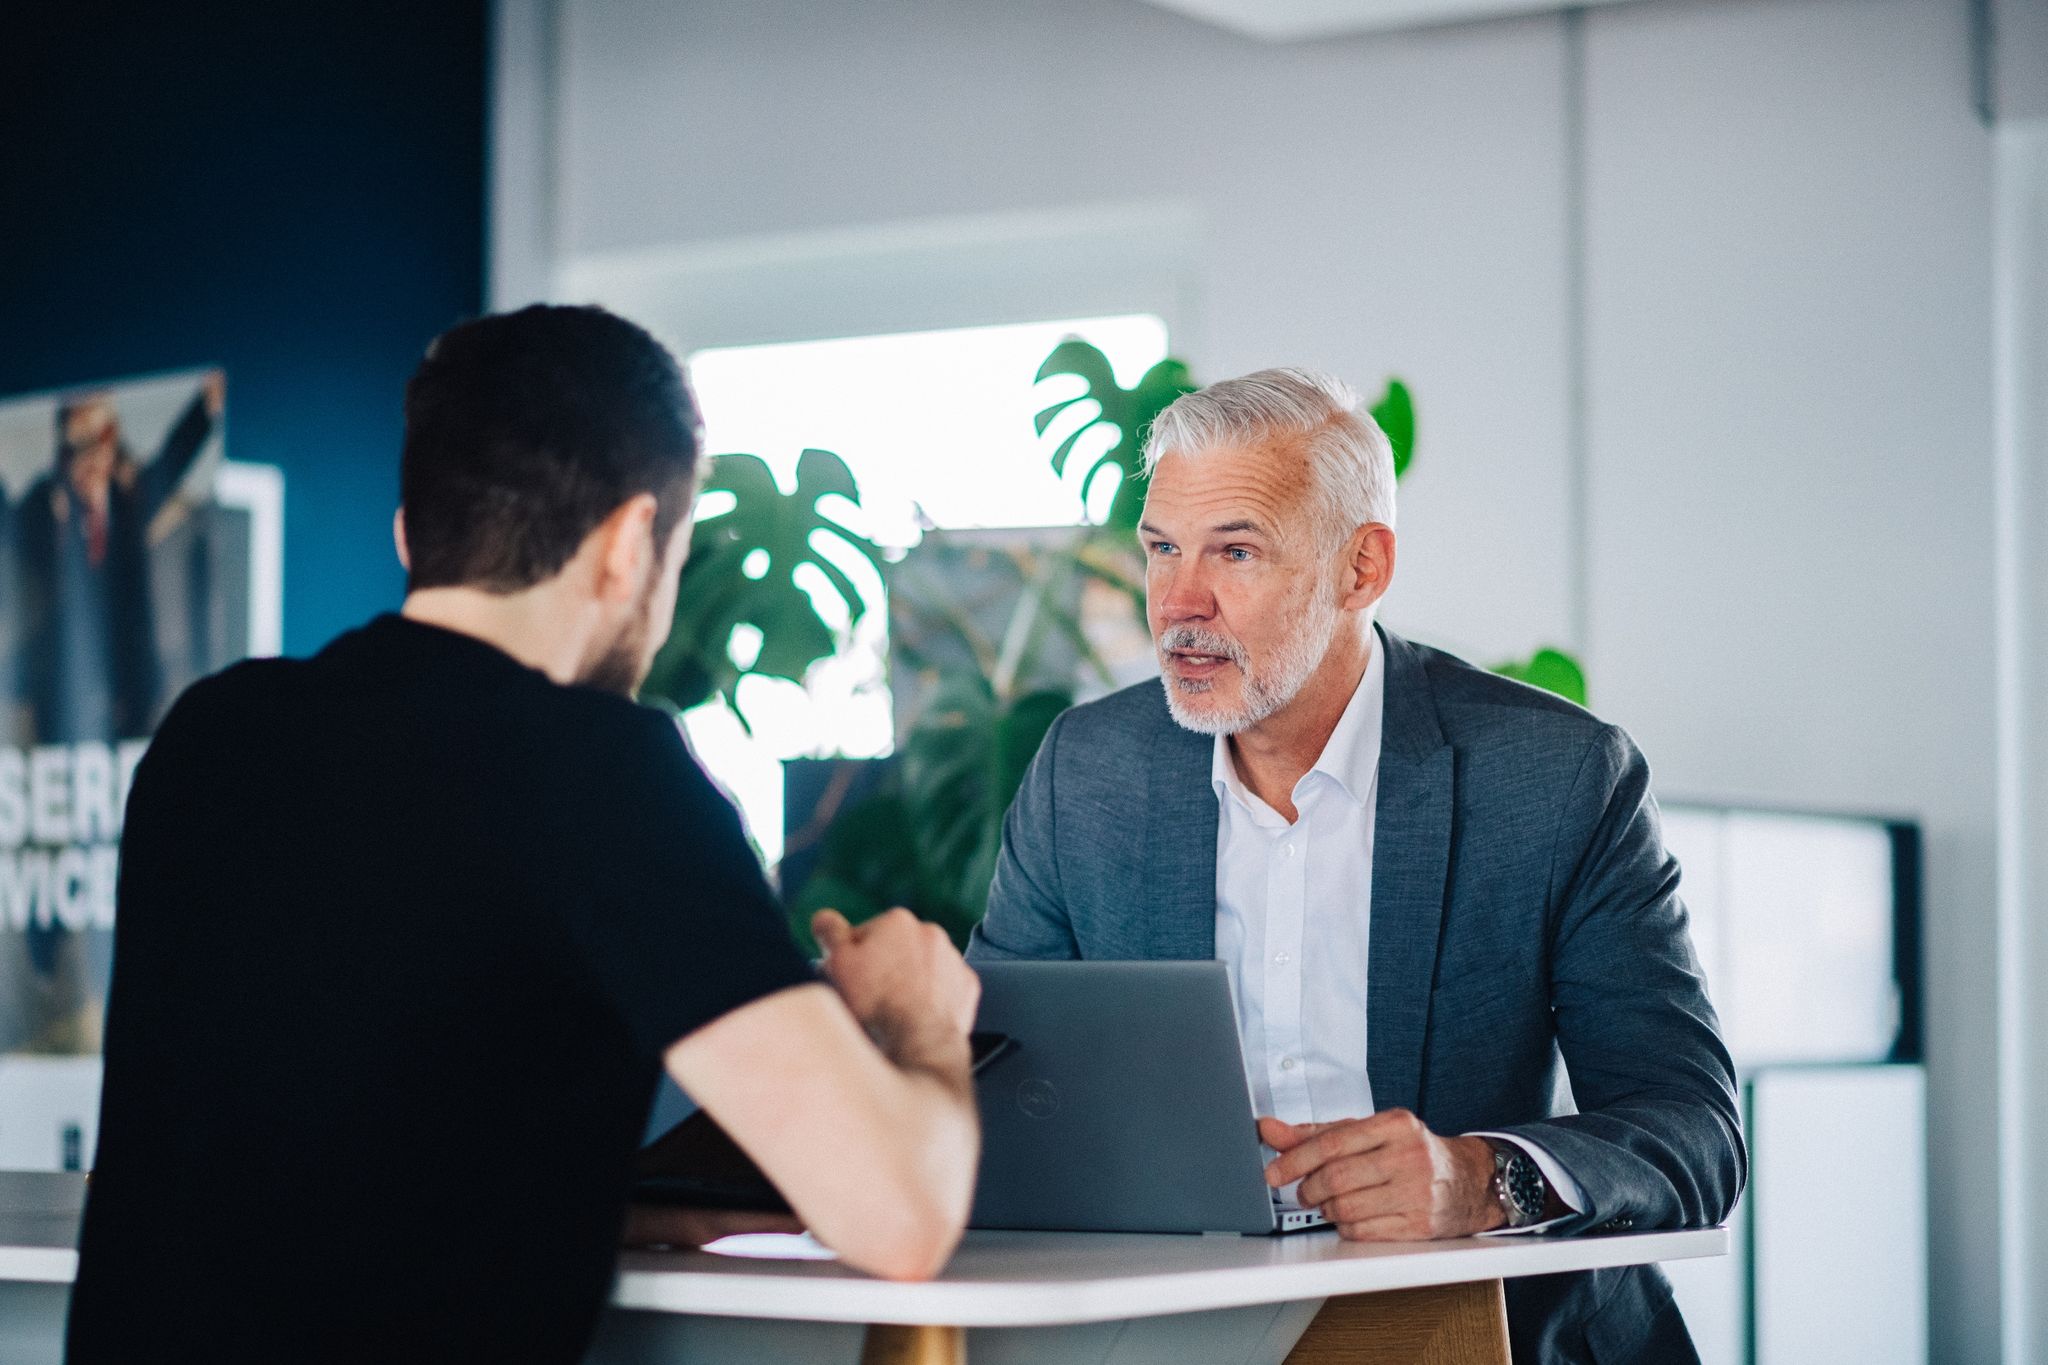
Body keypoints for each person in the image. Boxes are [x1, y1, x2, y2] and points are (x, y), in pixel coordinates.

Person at [66, 306, 981, 1365]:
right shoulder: (600, 771)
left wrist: (612, 1202)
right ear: (630, 542)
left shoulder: (216, 736)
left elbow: (320, 1155)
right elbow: (901, 1219)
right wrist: (919, 1022)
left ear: (413, 530)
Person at [968, 369, 1743, 1365]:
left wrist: (1478, 1181)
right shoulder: (1088, 773)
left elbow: (1693, 1131)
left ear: (1361, 569)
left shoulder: (1550, 780)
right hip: (1174, 1334)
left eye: (1234, 551)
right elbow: (992, 1086)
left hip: (1492, 1331)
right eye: (1161, 549)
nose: (1178, 603)